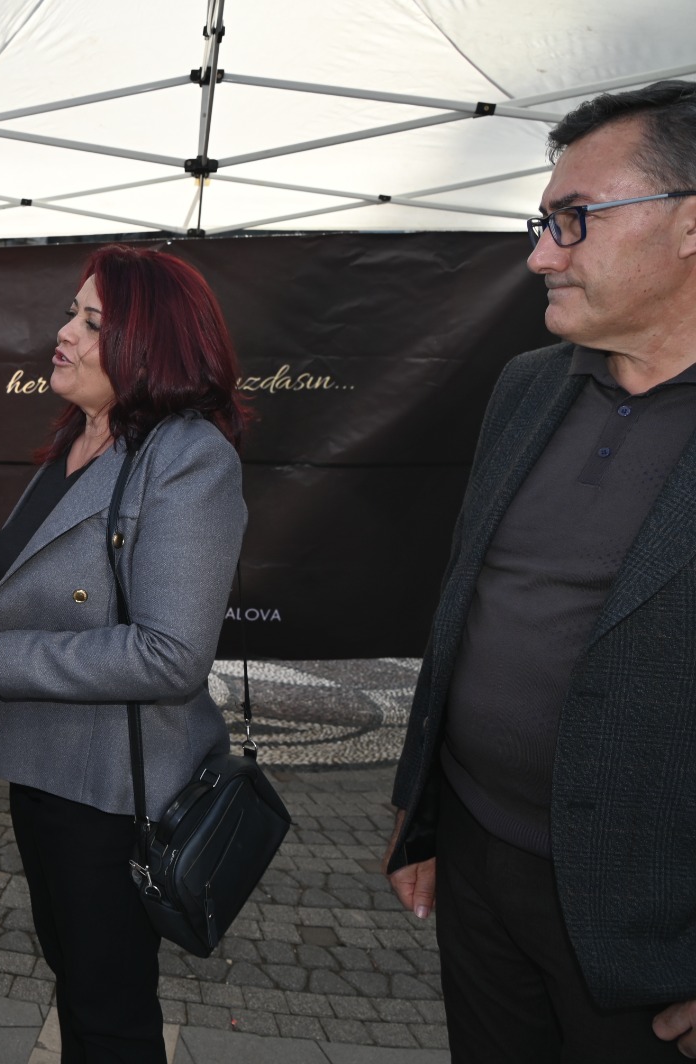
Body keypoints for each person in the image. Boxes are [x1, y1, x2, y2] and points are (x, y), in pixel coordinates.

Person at [383, 80, 696, 1062]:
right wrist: (426, 814)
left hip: (653, 924)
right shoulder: (526, 386)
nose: (540, 255)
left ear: (690, 223)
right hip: (479, 863)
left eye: (575, 218)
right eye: (542, 221)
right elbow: (468, 608)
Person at [0, 245, 248, 1062]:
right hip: (44, 771)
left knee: (109, 1015)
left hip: (113, 795)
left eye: (93, 322)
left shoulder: (189, 456)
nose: (64, 333)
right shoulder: (80, 438)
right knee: (77, 984)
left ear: (151, 344)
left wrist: (0, 661)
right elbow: (52, 586)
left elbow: (171, 654)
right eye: (72, 313)